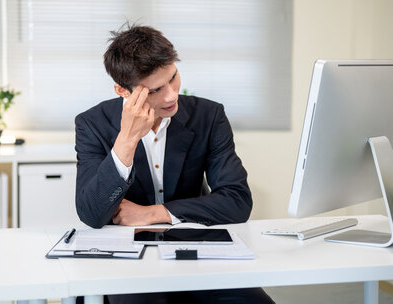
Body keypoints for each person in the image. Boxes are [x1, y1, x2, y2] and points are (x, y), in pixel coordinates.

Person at [74, 24, 274, 304]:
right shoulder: (93, 123)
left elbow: (237, 201)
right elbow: (92, 213)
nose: (170, 96)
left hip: (197, 249)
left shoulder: (208, 115)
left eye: (173, 77)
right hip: (129, 260)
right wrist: (127, 139)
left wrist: (155, 213)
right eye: (155, 90)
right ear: (123, 90)